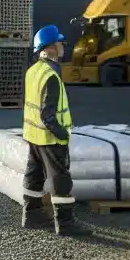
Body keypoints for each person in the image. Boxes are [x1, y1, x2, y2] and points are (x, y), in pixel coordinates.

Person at [22, 25, 91, 236]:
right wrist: (61, 132)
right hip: (50, 137)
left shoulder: (33, 71)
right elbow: (47, 114)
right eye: (60, 43)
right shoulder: (50, 76)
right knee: (60, 179)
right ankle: (66, 224)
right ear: (50, 47)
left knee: (33, 176)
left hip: (33, 135)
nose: (63, 46)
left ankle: (31, 216)